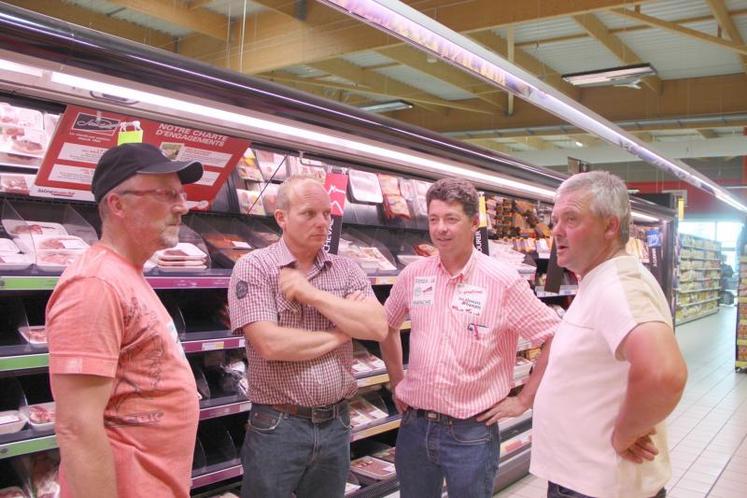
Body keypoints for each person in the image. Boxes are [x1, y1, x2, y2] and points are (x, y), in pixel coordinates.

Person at [380, 177, 560, 498]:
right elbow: (386, 326)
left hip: (471, 432)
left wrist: (523, 400)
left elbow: (553, 338)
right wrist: (397, 381)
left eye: (451, 219)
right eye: (434, 219)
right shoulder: (413, 275)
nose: (441, 229)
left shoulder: (502, 281)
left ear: (474, 223)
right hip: (415, 426)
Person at [46, 142, 204, 497]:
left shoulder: (127, 275)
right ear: (117, 204)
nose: (182, 206)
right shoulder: (95, 285)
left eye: (180, 194)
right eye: (166, 194)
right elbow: (77, 428)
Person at [530, 171, 688, 498]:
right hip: (585, 479)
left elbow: (664, 372)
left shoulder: (617, 285)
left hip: (600, 485)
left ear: (610, 226)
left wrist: (624, 435)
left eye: (571, 219)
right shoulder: (600, 280)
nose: (556, 230)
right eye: (555, 219)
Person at [228, 175, 388, 498]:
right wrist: (343, 331)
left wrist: (312, 295)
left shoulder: (347, 270)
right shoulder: (254, 268)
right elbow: (270, 345)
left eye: (327, 214)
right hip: (278, 425)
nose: (322, 222)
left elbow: (378, 328)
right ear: (281, 217)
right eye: (309, 213)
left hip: (337, 423)